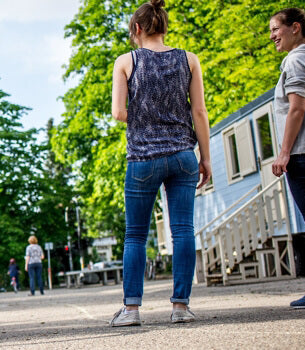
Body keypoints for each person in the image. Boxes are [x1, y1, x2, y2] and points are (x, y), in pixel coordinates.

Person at [109, 0, 212, 327]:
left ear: (136, 29)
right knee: (183, 229)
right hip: (183, 155)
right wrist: (205, 157)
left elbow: (118, 112)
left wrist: (145, 116)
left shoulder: (126, 62)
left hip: (143, 158)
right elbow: (199, 112)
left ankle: (131, 311)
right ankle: (181, 307)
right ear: (164, 27)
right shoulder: (189, 59)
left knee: (135, 235)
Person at [268, 8, 305, 309]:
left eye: (276, 29)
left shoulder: (297, 60)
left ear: (296, 28)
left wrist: (285, 151)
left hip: (303, 152)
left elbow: (297, 109)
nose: (273, 36)